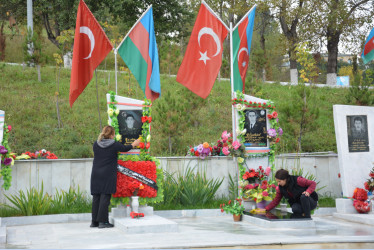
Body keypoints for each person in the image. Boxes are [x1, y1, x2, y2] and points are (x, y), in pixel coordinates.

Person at [90, 125, 140, 228]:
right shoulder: (114, 145)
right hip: (107, 174)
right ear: (112, 135)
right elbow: (125, 148)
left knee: (96, 197)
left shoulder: (96, 144)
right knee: (105, 197)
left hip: (96, 173)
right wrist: (134, 144)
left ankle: (94, 222)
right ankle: (103, 222)